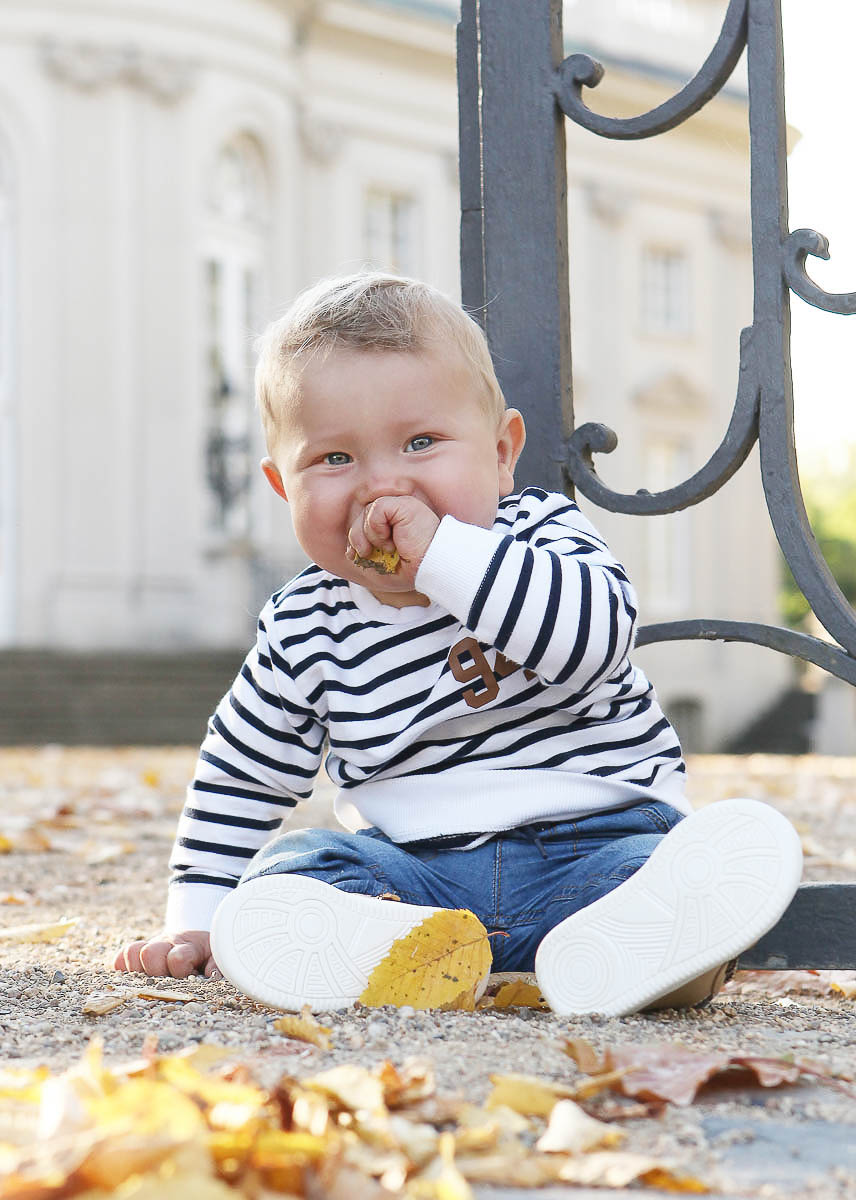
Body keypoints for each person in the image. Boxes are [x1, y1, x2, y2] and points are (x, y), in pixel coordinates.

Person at [114, 272, 802, 1016]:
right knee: (297, 867)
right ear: (284, 488)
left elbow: (595, 641)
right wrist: (198, 916)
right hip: (417, 882)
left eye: (421, 443)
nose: (382, 486)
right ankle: (385, 954)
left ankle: (636, 953)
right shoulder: (303, 622)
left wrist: (443, 557)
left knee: (665, 872)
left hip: (598, 850)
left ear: (502, 454)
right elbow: (240, 774)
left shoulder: (540, 534)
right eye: (335, 459)